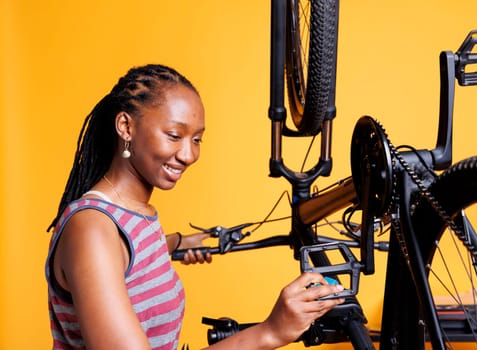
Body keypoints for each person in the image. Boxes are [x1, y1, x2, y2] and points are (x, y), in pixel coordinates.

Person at [45, 64, 345, 350]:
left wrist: (175, 243)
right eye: (174, 136)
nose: (188, 154)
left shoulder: (130, 215)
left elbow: (123, 259)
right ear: (126, 126)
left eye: (197, 139)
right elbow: (102, 249)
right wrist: (271, 331)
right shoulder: (92, 229)